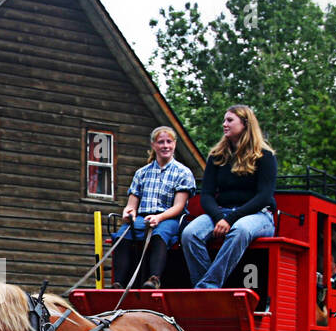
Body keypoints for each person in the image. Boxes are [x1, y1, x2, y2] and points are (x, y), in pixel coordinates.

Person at [182, 105, 277, 289]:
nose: (224, 124)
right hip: (223, 212)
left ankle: (206, 287)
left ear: (245, 124)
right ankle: (209, 290)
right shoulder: (217, 156)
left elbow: (264, 197)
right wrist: (219, 217)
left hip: (258, 215)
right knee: (189, 233)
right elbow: (207, 195)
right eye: (224, 120)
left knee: (240, 230)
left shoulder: (265, 156)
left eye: (230, 120)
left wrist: (230, 219)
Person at [110, 126, 196, 289]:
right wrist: (129, 214)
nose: (165, 146)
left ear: (174, 144)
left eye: (169, 142)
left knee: (160, 233)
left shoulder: (183, 173)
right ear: (153, 145)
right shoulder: (141, 173)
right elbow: (131, 205)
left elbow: (179, 206)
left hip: (170, 218)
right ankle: (118, 282)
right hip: (143, 217)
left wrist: (159, 217)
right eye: (160, 142)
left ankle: (154, 278)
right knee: (123, 235)